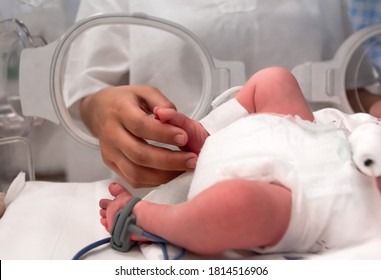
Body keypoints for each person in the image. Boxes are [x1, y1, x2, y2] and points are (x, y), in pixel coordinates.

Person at [65, 0, 362, 191]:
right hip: (172, 178)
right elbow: (87, 92)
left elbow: (352, 86)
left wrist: (369, 123)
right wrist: (102, 110)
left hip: (317, 183)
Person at [99, 67, 381, 255]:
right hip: (306, 133)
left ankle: (146, 217)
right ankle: (208, 134)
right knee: (274, 80)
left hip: (308, 201)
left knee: (239, 205)